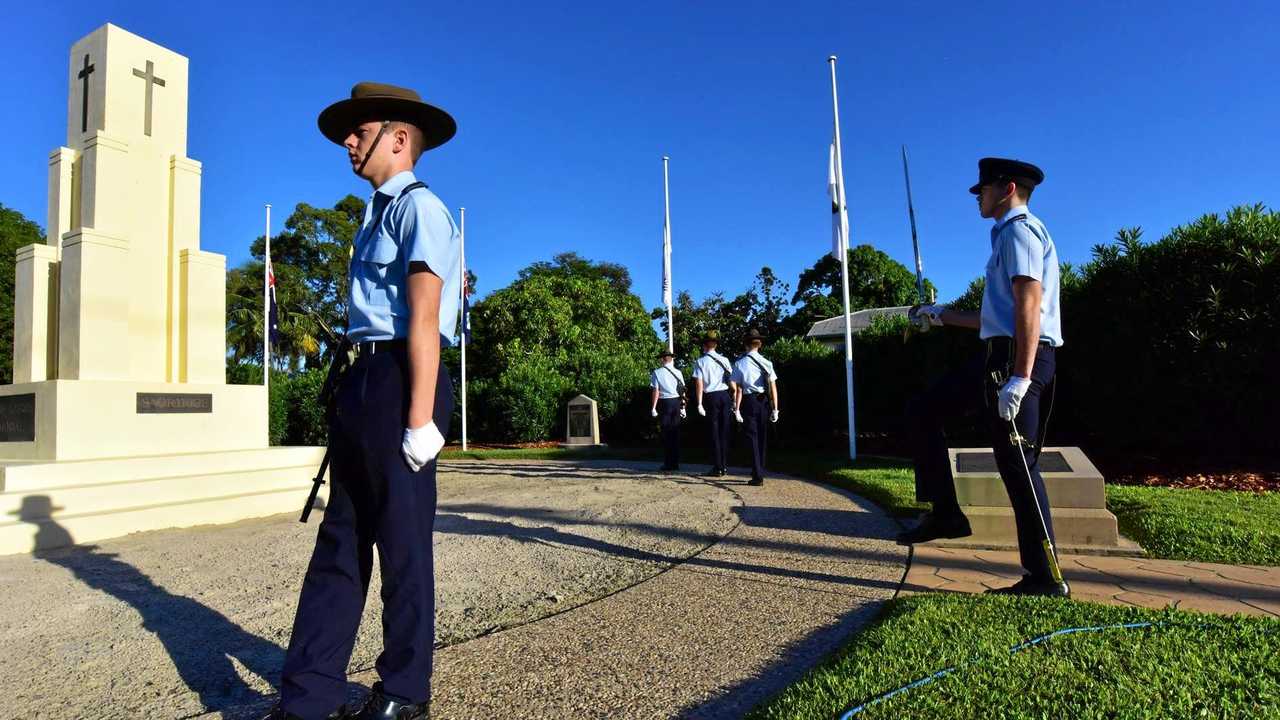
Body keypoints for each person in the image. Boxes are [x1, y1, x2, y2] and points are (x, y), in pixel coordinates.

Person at [263, 82, 461, 720]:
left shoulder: (419, 209)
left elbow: (424, 316)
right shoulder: (374, 213)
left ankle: (404, 694)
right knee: (340, 543)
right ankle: (309, 699)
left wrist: (422, 418)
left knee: (403, 546)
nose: (348, 141)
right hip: (364, 379)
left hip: (404, 378)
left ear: (399, 139)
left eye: (361, 130)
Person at [900, 157, 1069, 598]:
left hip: (1017, 359)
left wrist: (1021, 377)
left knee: (1018, 466)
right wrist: (940, 316)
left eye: (983, 190)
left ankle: (1046, 577)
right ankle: (946, 515)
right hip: (996, 356)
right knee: (923, 410)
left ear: (1007, 188)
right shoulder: (1004, 237)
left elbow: (1028, 305)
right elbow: (996, 316)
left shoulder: (1019, 230)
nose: (978, 197)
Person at [731, 329, 779, 486]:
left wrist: (737, 409)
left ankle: (757, 474)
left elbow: (737, 389)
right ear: (760, 344)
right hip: (764, 400)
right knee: (762, 436)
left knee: (752, 436)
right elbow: (773, 387)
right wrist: (775, 409)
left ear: (746, 344)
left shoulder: (739, 363)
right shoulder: (767, 363)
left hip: (749, 400)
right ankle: (760, 469)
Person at [692, 331, 735, 477]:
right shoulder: (725, 360)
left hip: (711, 397)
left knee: (715, 432)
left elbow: (699, 384)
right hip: (725, 396)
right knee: (725, 432)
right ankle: (724, 465)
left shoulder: (700, 362)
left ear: (705, 345)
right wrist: (734, 399)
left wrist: (699, 403)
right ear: (716, 344)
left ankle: (718, 467)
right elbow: (732, 381)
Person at [650, 349, 687, 471]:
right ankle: (675, 463)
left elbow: (656, 391)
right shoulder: (678, 372)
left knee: (667, 434)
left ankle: (668, 463)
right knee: (675, 433)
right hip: (676, 402)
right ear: (671, 358)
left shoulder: (657, 372)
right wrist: (683, 407)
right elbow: (682, 391)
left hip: (665, 402)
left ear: (662, 359)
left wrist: (653, 407)